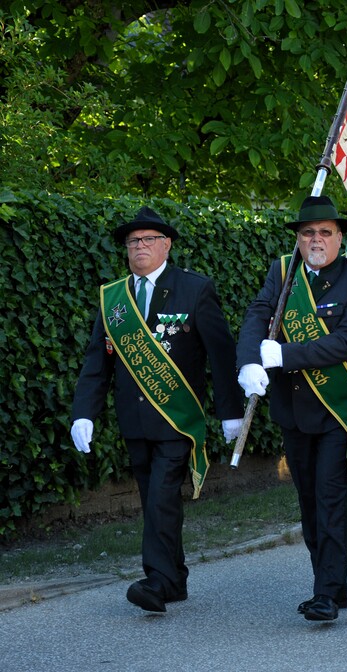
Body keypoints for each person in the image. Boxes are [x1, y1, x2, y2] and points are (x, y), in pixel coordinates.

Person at [70, 206, 244, 613]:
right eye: (133, 241)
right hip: (134, 420)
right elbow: (98, 361)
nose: (140, 246)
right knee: (154, 499)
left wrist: (230, 410)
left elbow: (221, 354)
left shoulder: (194, 289)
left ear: (166, 245)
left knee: (162, 496)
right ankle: (175, 579)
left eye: (148, 239)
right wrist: (84, 413)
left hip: (176, 419)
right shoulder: (115, 297)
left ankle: (157, 581)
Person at [236, 195, 347, 622]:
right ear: (298, 238)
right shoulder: (284, 273)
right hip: (292, 410)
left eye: (325, 232)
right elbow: (257, 316)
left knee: (331, 498)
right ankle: (332, 585)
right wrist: (249, 362)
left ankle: (326, 594)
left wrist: (285, 356)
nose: (316, 239)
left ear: (340, 238)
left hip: (335, 410)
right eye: (308, 232)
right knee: (309, 501)